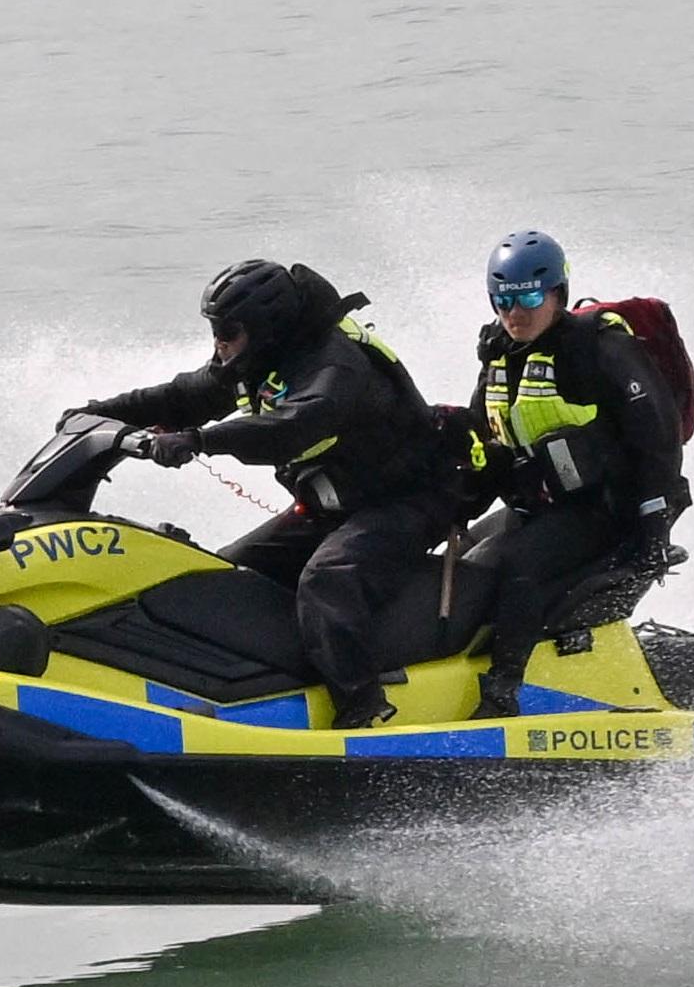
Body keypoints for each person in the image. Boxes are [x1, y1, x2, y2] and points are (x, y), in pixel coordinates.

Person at [73, 259, 451, 729]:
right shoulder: (256, 362)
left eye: (227, 331)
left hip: (410, 500)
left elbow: (288, 428)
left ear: (264, 327)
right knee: (224, 574)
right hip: (334, 506)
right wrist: (97, 413)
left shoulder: (335, 367)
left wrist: (198, 440)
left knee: (326, 581)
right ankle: (264, 689)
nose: (218, 342)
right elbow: (182, 396)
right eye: (215, 330)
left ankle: (364, 706)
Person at [453, 229, 689, 718]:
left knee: (517, 565)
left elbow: (659, 438)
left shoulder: (600, 348)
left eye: (529, 300)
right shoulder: (498, 354)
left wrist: (654, 523)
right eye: (503, 301)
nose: (515, 314)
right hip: (541, 507)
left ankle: (502, 693)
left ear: (557, 293)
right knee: (466, 563)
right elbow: (483, 438)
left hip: (608, 510)